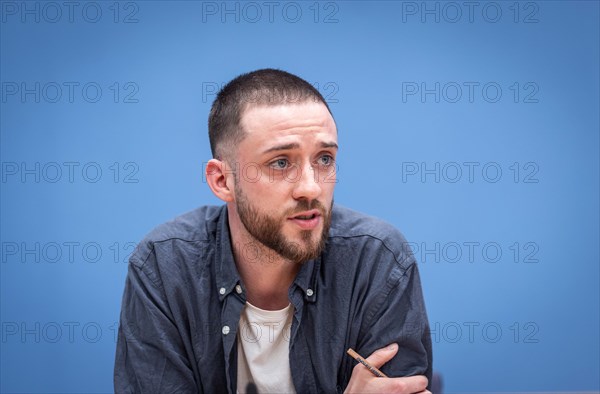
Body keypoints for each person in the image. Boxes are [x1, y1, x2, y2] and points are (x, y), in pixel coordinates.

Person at [114, 69, 433, 393]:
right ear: (222, 181)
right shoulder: (163, 267)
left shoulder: (377, 259)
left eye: (324, 159)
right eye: (280, 163)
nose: (311, 188)